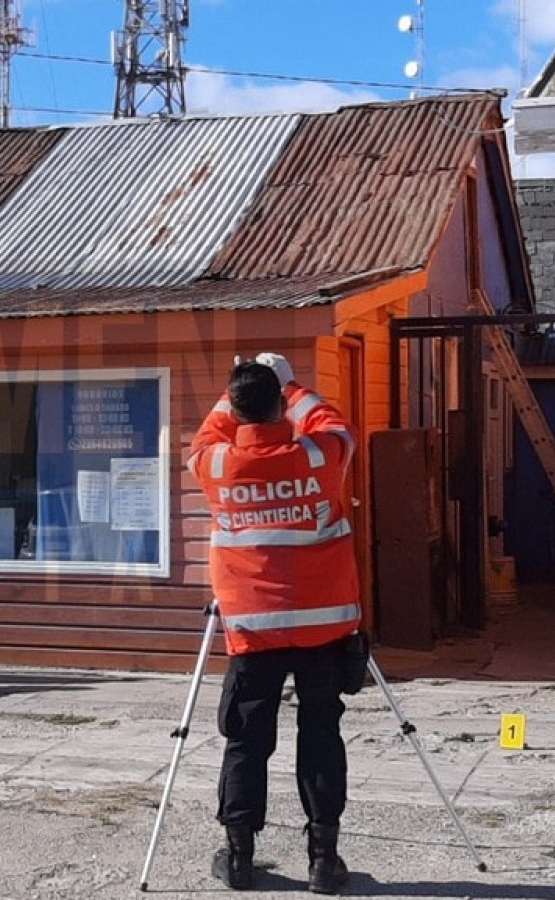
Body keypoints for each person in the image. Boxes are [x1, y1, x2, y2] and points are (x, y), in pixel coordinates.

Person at [187, 353, 360, 895]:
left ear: (238, 411)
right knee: (321, 737)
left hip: (253, 632)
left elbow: (212, 430)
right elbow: (335, 424)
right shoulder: (317, 456)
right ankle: (323, 861)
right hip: (323, 631)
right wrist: (291, 383)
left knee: (245, 742)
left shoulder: (215, 464)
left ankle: (239, 858)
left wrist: (235, 385)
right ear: (280, 405)